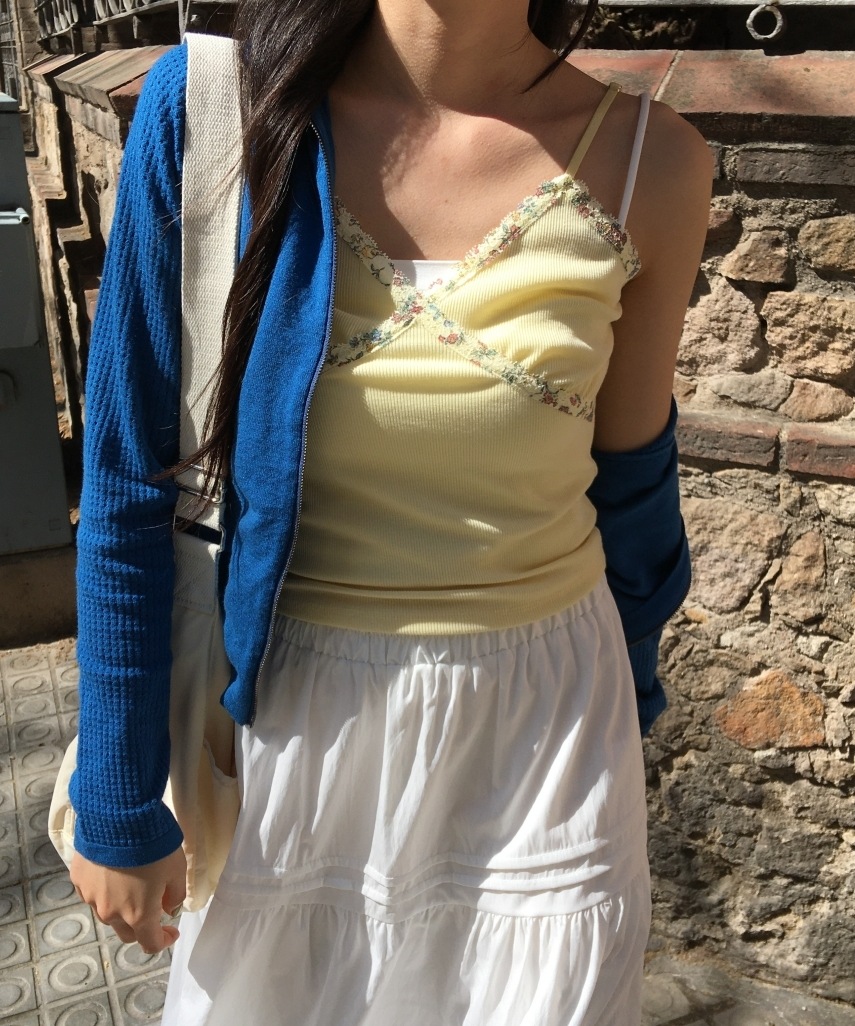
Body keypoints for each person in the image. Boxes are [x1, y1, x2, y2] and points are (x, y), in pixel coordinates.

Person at [68, 0, 712, 1022]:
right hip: (291, 728)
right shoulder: (215, 116)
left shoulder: (652, 162)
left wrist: (625, 715)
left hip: (548, 733)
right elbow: (127, 482)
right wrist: (115, 795)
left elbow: (633, 487)